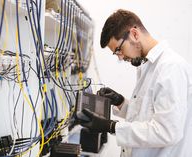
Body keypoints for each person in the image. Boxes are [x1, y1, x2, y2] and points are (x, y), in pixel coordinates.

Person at [79, 9, 192, 157]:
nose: (120, 58)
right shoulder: (146, 66)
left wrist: (112, 126)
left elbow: (167, 131)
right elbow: (147, 116)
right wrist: (121, 102)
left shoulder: (170, 68)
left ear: (134, 34)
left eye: (119, 50)